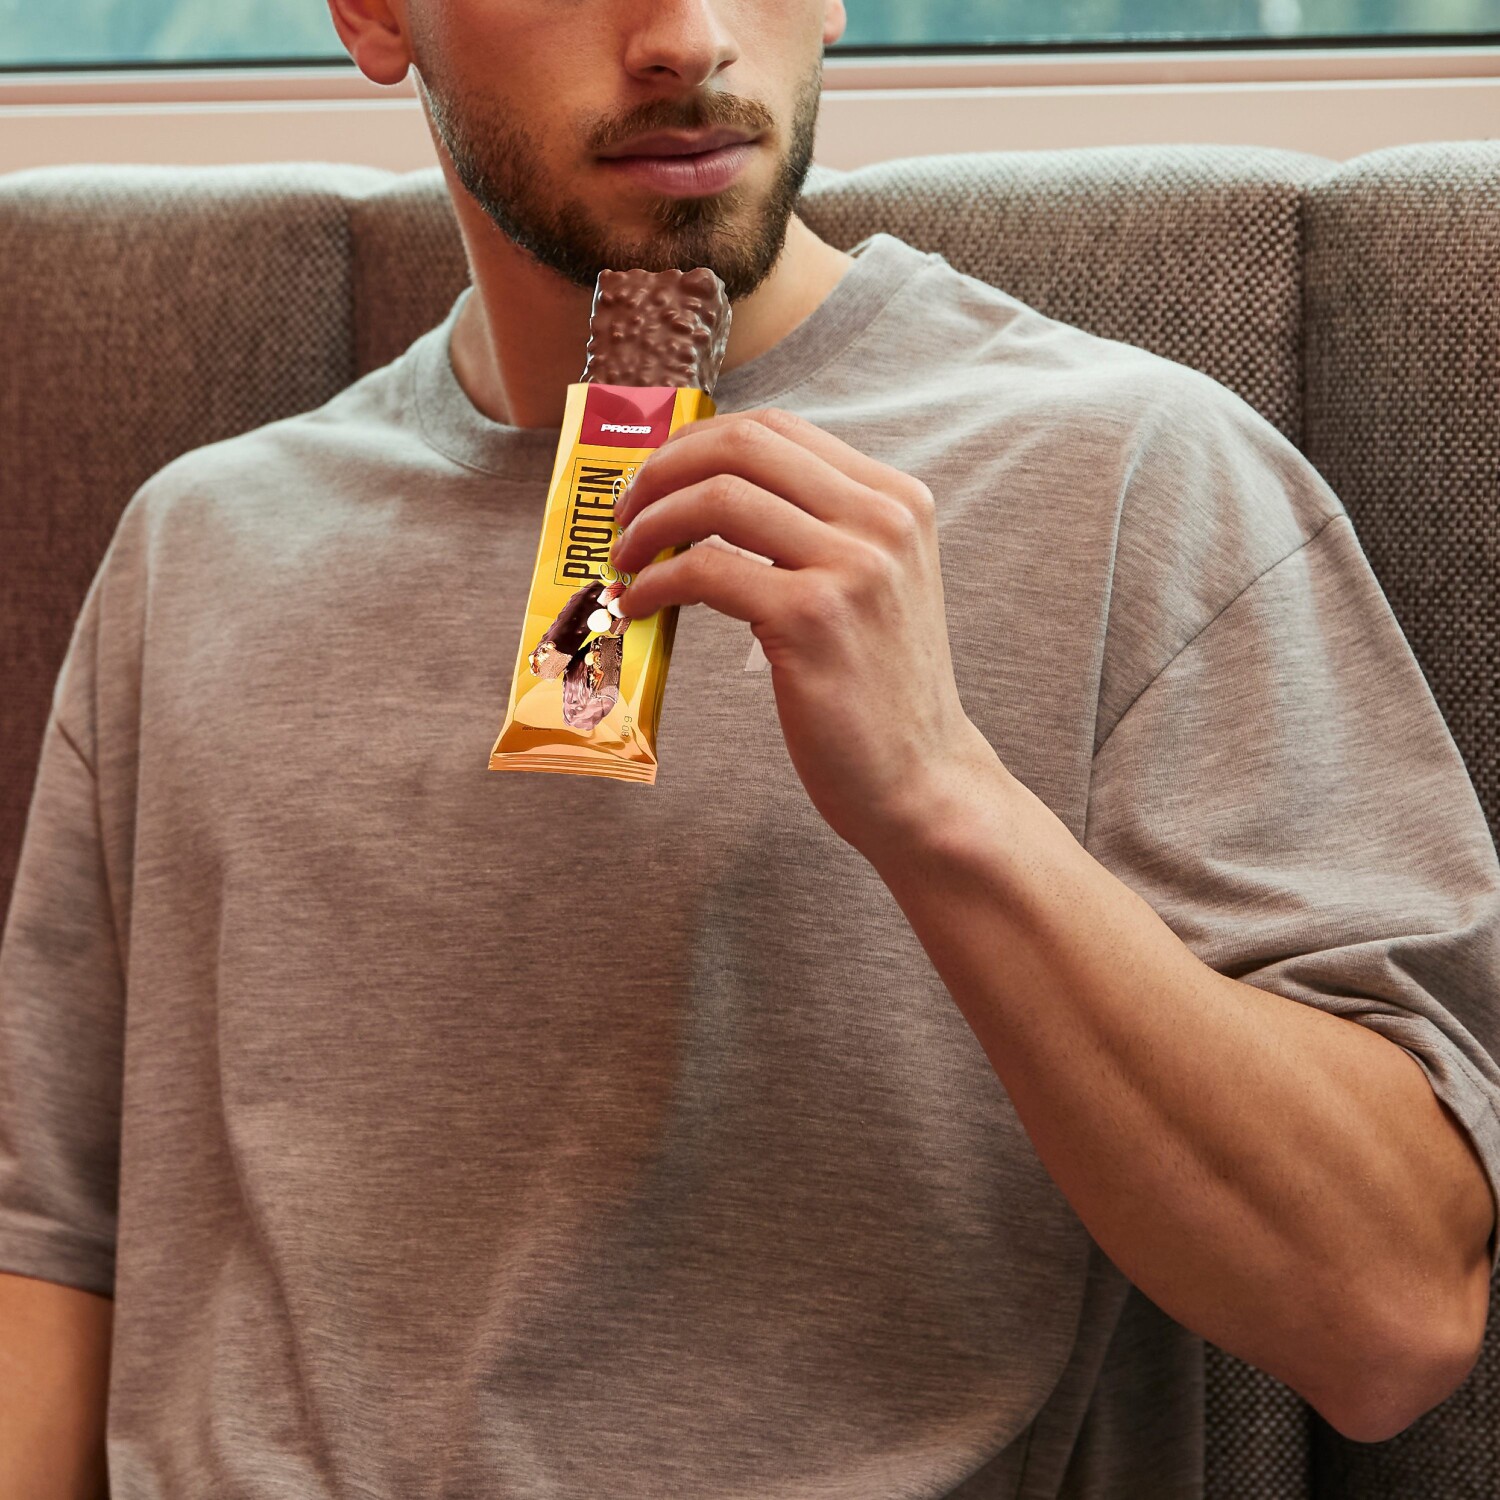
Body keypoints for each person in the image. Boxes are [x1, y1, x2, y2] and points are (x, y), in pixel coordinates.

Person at [3, 2, 1498, 1496]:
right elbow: (48, 1251)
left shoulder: (1135, 478)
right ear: (377, 14)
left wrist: (939, 793)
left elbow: (1395, 1321)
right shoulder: (199, 546)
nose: (687, 36)